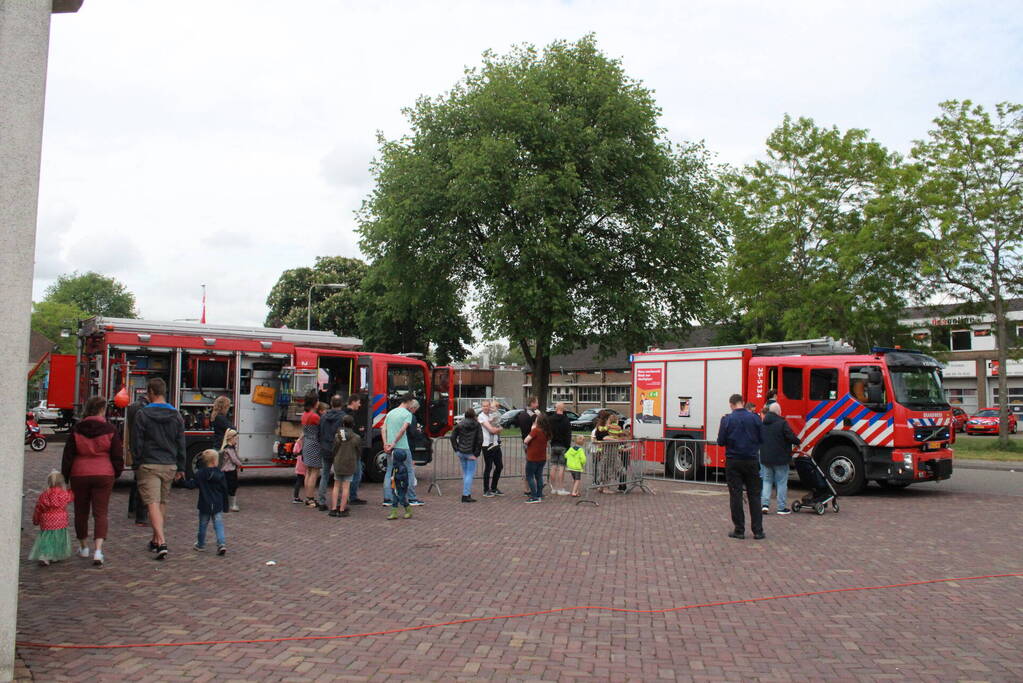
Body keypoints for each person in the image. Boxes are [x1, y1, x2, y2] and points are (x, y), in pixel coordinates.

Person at [61, 396, 123, 566]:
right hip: (104, 473)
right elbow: (117, 455)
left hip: (79, 473)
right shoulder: (110, 429)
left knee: (81, 511)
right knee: (100, 512)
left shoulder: (76, 429)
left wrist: (65, 476)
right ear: (102, 410)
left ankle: (83, 546)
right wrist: (116, 472)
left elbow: (68, 455)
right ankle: (98, 550)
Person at [131, 377, 186, 560]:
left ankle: (161, 541)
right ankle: (155, 539)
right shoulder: (176, 415)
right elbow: (180, 442)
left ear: (151, 392)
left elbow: (136, 441)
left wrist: (137, 462)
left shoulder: (142, 414)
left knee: (152, 503)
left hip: (149, 462)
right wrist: (181, 465)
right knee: (162, 502)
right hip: (169, 464)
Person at [717, 393, 765, 540]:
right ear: (743, 403)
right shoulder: (755, 418)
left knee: (736, 495)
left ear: (731, 404)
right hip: (751, 460)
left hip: (733, 461)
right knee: (754, 495)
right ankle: (758, 531)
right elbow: (762, 438)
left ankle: (739, 530)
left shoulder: (727, 419)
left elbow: (721, 441)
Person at [185, 450, 229, 555]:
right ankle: (221, 544)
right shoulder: (220, 474)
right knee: (218, 525)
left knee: (202, 526)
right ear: (215, 461)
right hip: (217, 503)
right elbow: (224, 490)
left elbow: (192, 485)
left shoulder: (200, 473)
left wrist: (181, 482)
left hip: (205, 504)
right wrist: (226, 505)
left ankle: (200, 544)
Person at [760, 403, 799, 515]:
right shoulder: (782, 423)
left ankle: (765, 505)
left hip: (766, 458)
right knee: (781, 482)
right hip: (780, 458)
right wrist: (798, 441)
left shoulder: (763, 424)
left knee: (767, 481)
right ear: (778, 412)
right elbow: (790, 436)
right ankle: (781, 507)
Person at [29, 471, 74, 567]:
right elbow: (70, 497)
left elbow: (38, 508)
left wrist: (36, 520)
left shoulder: (44, 495)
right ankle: (55, 555)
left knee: (46, 538)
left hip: (47, 520)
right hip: (60, 520)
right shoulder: (64, 494)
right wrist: (71, 489)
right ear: (62, 483)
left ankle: (44, 556)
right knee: (58, 538)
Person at [382, 394, 415, 506]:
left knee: (389, 471)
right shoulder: (407, 414)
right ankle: (411, 497)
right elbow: (402, 430)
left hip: (390, 447)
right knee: (409, 471)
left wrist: (386, 443)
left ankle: (387, 498)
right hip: (402, 447)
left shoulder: (391, 413)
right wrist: (395, 442)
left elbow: (383, 428)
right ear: (409, 402)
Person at [316, 395, 346, 511]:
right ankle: (338, 502)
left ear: (331, 403)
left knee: (324, 475)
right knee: (339, 477)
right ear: (341, 404)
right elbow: (343, 435)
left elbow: (319, 433)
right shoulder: (343, 417)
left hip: (325, 448)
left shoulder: (323, 417)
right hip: (337, 449)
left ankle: (321, 501)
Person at [329, 415, 361, 517]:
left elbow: (334, 449)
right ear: (353, 425)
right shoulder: (356, 437)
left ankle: (333, 508)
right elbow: (358, 452)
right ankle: (342, 509)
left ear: (343, 424)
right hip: (350, 463)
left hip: (338, 462)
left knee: (336, 486)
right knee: (346, 487)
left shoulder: (337, 436)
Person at [125, 393, 149, 525]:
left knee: (136, 481)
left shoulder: (133, 407)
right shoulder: (144, 409)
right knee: (142, 483)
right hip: (143, 449)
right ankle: (141, 515)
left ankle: (132, 509)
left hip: (135, 447)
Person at [341, 394, 369, 506]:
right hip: (353, 448)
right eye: (358, 402)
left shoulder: (343, 413)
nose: (360, 404)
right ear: (353, 402)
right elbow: (357, 431)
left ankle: (346, 496)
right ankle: (351, 496)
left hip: (344, 448)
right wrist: (360, 431)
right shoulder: (352, 416)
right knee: (357, 472)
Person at [451, 408, 483, 503]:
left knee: (465, 473)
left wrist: (456, 449)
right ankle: (465, 495)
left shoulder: (460, 424)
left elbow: (453, 437)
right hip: (471, 453)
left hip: (461, 451)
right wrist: (476, 454)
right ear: (474, 415)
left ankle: (466, 493)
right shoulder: (477, 425)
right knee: (469, 474)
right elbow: (480, 440)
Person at [300, 396, 325, 508]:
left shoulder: (304, 415)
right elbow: (322, 427)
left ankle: (307, 496)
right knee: (314, 472)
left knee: (308, 472)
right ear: (314, 403)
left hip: (307, 443)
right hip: (315, 444)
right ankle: (310, 498)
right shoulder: (314, 416)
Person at [478, 400, 504, 497]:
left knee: (499, 466)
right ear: (482, 407)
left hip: (496, 443)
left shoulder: (493, 414)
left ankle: (494, 488)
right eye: (483, 406)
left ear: (489, 406)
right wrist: (498, 429)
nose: (485, 407)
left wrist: (498, 429)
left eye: (487, 406)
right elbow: (492, 430)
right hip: (487, 445)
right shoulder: (481, 416)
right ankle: (486, 489)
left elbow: (500, 427)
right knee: (488, 467)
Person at [523, 413, 551, 503]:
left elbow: (526, 440)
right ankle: (539, 494)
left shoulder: (535, 430)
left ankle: (534, 496)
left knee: (530, 476)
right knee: (539, 476)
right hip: (542, 457)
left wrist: (533, 428)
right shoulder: (546, 431)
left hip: (532, 456)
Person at [547, 402, 572, 496]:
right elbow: (568, 435)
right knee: (561, 467)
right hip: (563, 446)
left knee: (553, 466)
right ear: (563, 408)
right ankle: (560, 488)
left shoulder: (550, 419)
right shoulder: (566, 420)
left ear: (555, 408)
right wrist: (568, 446)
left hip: (553, 445)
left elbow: (548, 431)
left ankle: (553, 488)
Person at [516, 396, 540, 495]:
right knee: (533, 465)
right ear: (533, 403)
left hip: (525, 441)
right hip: (532, 442)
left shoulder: (521, 414)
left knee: (529, 464)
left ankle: (527, 487)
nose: (538, 404)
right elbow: (538, 428)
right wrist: (538, 416)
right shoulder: (533, 416)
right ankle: (530, 487)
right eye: (536, 402)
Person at [219, 429, 242, 512]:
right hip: (229, 471)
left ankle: (227, 504)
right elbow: (234, 459)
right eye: (236, 438)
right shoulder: (229, 449)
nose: (236, 440)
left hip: (227, 471)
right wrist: (240, 464)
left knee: (228, 488)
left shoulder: (227, 448)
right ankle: (232, 505)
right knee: (232, 487)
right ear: (231, 438)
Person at [387, 449, 413, 520]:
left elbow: (403, 479)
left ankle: (408, 511)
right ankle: (394, 513)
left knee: (402, 499)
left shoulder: (402, 468)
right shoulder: (395, 466)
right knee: (395, 499)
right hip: (395, 486)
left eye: (393, 457)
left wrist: (397, 478)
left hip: (400, 487)